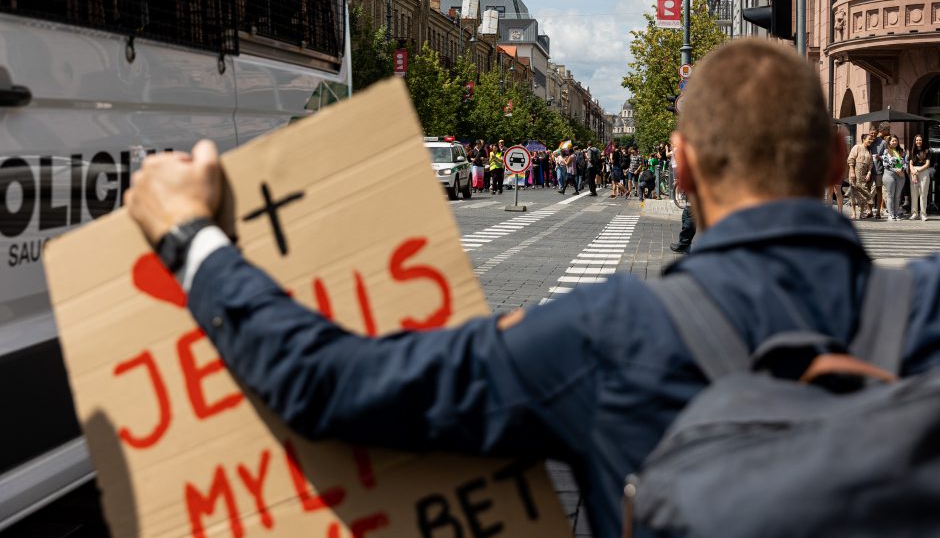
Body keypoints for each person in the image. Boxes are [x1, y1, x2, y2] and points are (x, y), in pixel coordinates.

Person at [128, 38, 940, 538]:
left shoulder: (608, 334)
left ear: (681, 164)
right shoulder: (927, 303)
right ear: (839, 161)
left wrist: (191, 236)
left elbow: (326, 384)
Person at [847, 133, 874, 220]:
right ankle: (854, 212)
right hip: (856, 171)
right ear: (863, 139)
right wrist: (852, 171)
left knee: (864, 192)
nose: (871, 140)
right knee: (854, 192)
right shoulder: (857, 147)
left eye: (871, 139)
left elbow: (871, 163)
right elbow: (851, 158)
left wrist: (869, 173)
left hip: (864, 173)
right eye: (869, 139)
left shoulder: (869, 150)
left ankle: (862, 212)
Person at [881, 134, 907, 221]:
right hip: (889, 174)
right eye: (893, 141)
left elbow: (905, 162)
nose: (894, 142)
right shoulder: (886, 151)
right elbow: (885, 163)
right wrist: (896, 170)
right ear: (889, 142)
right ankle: (891, 214)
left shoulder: (902, 151)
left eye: (896, 140)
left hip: (901, 175)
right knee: (890, 195)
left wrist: (902, 169)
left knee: (897, 196)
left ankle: (896, 214)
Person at [868, 123, 888, 218]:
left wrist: (880, 157)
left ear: (878, 133)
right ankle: (869, 211)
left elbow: (886, 156)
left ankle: (878, 212)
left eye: (875, 133)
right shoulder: (867, 141)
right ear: (869, 133)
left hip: (879, 170)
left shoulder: (883, 142)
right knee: (868, 190)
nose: (873, 135)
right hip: (868, 170)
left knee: (879, 190)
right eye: (871, 133)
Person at [909, 134, 931, 221]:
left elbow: (927, 164)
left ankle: (923, 214)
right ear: (915, 141)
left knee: (923, 194)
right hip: (913, 172)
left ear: (922, 141)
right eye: (917, 140)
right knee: (914, 193)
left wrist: (918, 171)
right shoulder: (912, 151)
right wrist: (913, 171)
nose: (918, 142)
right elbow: (910, 163)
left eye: (920, 140)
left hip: (923, 171)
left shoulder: (927, 151)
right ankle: (914, 213)